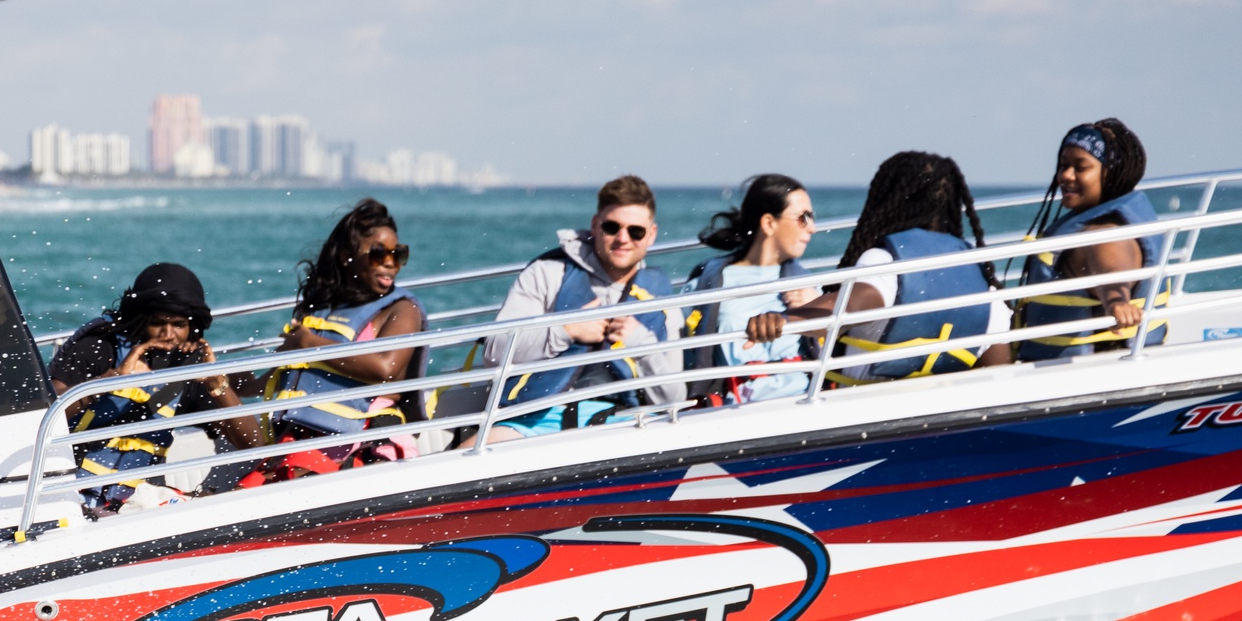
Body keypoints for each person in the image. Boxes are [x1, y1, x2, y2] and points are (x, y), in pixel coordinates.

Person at [47, 262, 260, 514]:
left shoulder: (186, 370)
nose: (168, 335)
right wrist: (108, 381)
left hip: (135, 503)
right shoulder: (100, 347)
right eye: (158, 323)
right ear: (140, 318)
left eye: (179, 325)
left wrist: (216, 382)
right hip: (70, 496)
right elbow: (42, 414)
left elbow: (252, 444)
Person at [479, 175, 684, 429]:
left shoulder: (661, 300)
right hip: (540, 417)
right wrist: (566, 330)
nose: (623, 238)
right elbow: (494, 352)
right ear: (596, 225)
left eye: (636, 231)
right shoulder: (547, 273)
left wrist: (641, 345)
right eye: (612, 227)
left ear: (651, 235)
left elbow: (675, 398)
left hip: (631, 421)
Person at [262, 198, 428, 474]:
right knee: (250, 487)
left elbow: (385, 367)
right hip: (308, 439)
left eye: (398, 255)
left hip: (364, 445)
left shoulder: (402, 310)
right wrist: (217, 382)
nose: (390, 264)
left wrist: (310, 344)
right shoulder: (322, 311)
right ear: (346, 256)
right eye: (378, 254)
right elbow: (270, 382)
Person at [825, 151, 1011, 383]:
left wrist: (782, 319)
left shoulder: (880, 263)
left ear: (888, 202)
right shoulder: (985, 286)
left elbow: (838, 312)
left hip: (861, 408)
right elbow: (998, 374)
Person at [1014, 118, 1166, 360]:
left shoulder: (1103, 234)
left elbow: (1111, 269)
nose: (1066, 175)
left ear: (1111, 172)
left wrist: (1117, 302)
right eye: (1063, 165)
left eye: (1080, 167)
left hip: (1081, 373)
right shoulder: (1104, 222)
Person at [681, 173, 826, 404]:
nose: (812, 228)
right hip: (737, 410)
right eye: (803, 218)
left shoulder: (810, 288)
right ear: (769, 223)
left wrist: (818, 306)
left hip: (805, 401)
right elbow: (683, 358)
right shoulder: (704, 287)